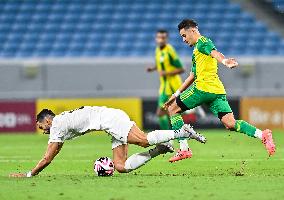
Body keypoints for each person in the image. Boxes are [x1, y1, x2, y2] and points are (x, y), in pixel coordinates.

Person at [164, 19, 275, 157]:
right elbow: (193, 75)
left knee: (172, 109)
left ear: (192, 30)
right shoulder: (197, 50)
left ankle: (184, 149)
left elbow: (214, 53)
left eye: (184, 36)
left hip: (202, 88)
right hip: (217, 91)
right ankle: (262, 134)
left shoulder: (202, 43)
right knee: (230, 123)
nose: (183, 40)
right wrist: (176, 94)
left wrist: (224, 61)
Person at [10, 106, 206, 177]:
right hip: (109, 121)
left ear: (47, 120)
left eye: (41, 126)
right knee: (121, 166)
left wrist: (29, 174)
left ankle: (182, 132)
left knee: (144, 140)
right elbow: (55, 149)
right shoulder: (60, 124)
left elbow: (47, 158)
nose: (42, 130)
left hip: (110, 119)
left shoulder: (58, 123)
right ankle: (160, 149)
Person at [146, 29, 193, 162]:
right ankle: (172, 141)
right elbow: (161, 64)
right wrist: (153, 68)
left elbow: (181, 68)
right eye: (159, 38)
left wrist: (167, 74)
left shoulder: (170, 50)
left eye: (163, 38)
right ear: (156, 38)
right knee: (164, 114)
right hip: (163, 88)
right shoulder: (158, 50)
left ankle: (171, 141)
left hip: (171, 87)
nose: (161, 40)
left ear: (166, 39)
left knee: (166, 114)